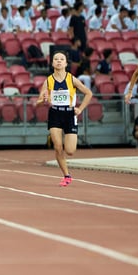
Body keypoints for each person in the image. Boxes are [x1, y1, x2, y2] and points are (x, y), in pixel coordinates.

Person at [35, 51, 92, 187]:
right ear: (52, 63)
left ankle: (63, 147)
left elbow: (88, 93)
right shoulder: (48, 81)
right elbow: (38, 102)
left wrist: (80, 109)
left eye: (62, 59)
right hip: (55, 114)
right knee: (58, 147)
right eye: (56, 59)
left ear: (66, 63)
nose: (59, 61)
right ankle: (66, 175)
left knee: (70, 151)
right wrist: (43, 100)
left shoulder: (71, 79)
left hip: (69, 114)